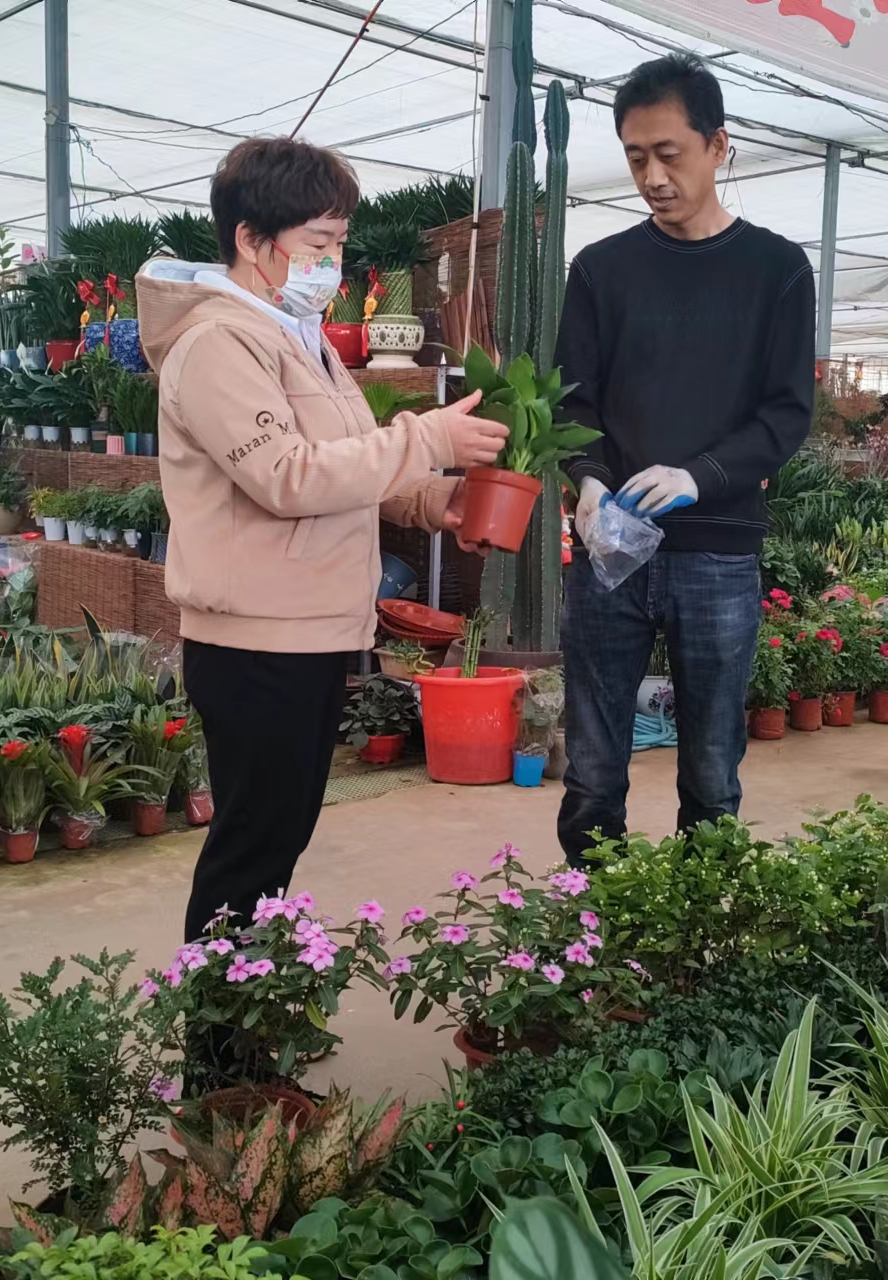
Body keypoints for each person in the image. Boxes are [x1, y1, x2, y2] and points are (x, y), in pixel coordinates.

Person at [137, 136, 508, 942]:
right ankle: (218, 1021)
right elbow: (286, 475)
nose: (333, 263)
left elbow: (345, 461)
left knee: (279, 838)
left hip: (309, 630)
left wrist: (434, 500)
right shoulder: (217, 343)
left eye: (339, 241)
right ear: (251, 239)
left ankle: (249, 1006)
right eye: (318, 242)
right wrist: (426, 439)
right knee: (251, 846)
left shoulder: (295, 336)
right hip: (254, 641)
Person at [553, 54, 815, 863]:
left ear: (717, 145)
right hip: (610, 549)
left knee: (710, 766)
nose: (652, 178)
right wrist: (589, 480)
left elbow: (785, 413)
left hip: (718, 551)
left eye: (669, 154)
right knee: (593, 766)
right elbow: (571, 401)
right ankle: (593, 913)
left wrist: (697, 476)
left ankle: (693, 924)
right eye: (636, 158)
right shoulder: (602, 270)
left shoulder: (775, 270)